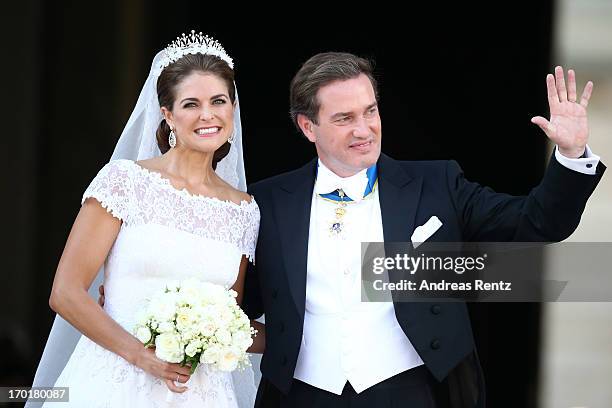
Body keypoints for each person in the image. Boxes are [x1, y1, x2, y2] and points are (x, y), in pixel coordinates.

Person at [242, 52, 605, 407]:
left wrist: (571, 155)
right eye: (344, 118)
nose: (363, 129)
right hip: (301, 395)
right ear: (308, 126)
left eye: (370, 111)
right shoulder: (269, 201)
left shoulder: (436, 183)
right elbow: (238, 305)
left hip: (409, 391)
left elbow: (536, 223)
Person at [28, 32, 263, 407]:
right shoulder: (125, 181)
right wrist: (142, 356)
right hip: (114, 383)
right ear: (167, 115)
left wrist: (305, 334)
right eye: (191, 104)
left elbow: (230, 319)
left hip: (200, 393)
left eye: (219, 101)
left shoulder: (244, 210)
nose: (208, 115)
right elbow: (66, 293)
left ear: (232, 108)